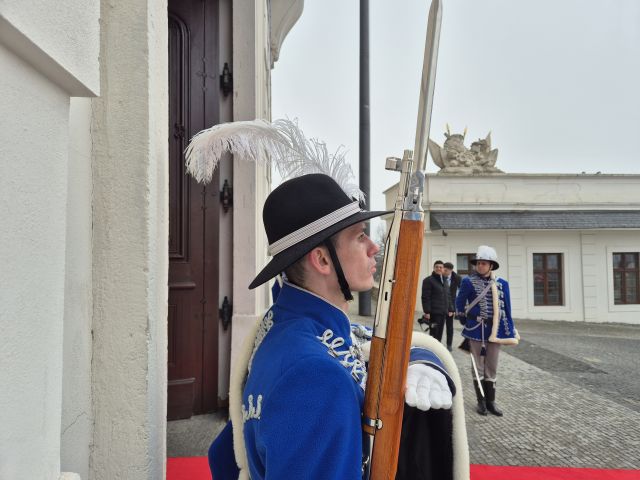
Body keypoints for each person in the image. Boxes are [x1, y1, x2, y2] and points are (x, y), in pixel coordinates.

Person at [208, 173, 467, 480]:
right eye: (359, 236)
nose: (373, 247)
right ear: (322, 260)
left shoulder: (283, 328)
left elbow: (223, 455)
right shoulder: (316, 376)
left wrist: (419, 359)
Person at [455, 246, 519, 417]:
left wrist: (509, 329)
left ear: (491, 265)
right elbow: (459, 303)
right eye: (478, 263)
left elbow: (507, 308)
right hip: (475, 330)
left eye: (484, 263)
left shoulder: (502, 284)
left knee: (492, 366)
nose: (480, 266)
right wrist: (465, 321)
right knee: (478, 366)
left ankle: (491, 401)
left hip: (495, 331)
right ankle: (481, 401)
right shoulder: (468, 282)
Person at [420, 260, 454, 345]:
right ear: (434, 268)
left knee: (439, 334)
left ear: (443, 269)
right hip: (434, 313)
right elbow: (425, 297)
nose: (439, 268)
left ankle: (436, 348)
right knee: (434, 333)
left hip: (443, 312)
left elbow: (448, 296)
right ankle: (432, 349)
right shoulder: (428, 280)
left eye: (440, 267)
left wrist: (451, 309)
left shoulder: (445, 280)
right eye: (437, 267)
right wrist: (427, 311)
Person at [442, 262, 461, 351]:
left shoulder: (457, 278)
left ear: (450, 270)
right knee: (438, 326)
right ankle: (436, 343)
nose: (444, 271)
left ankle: (449, 344)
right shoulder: (439, 276)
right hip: (440, 304)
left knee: (449, 326)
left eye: (446, 270)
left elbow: (462, 291)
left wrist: (457, 307)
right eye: (443, 269)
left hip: (451, 306)